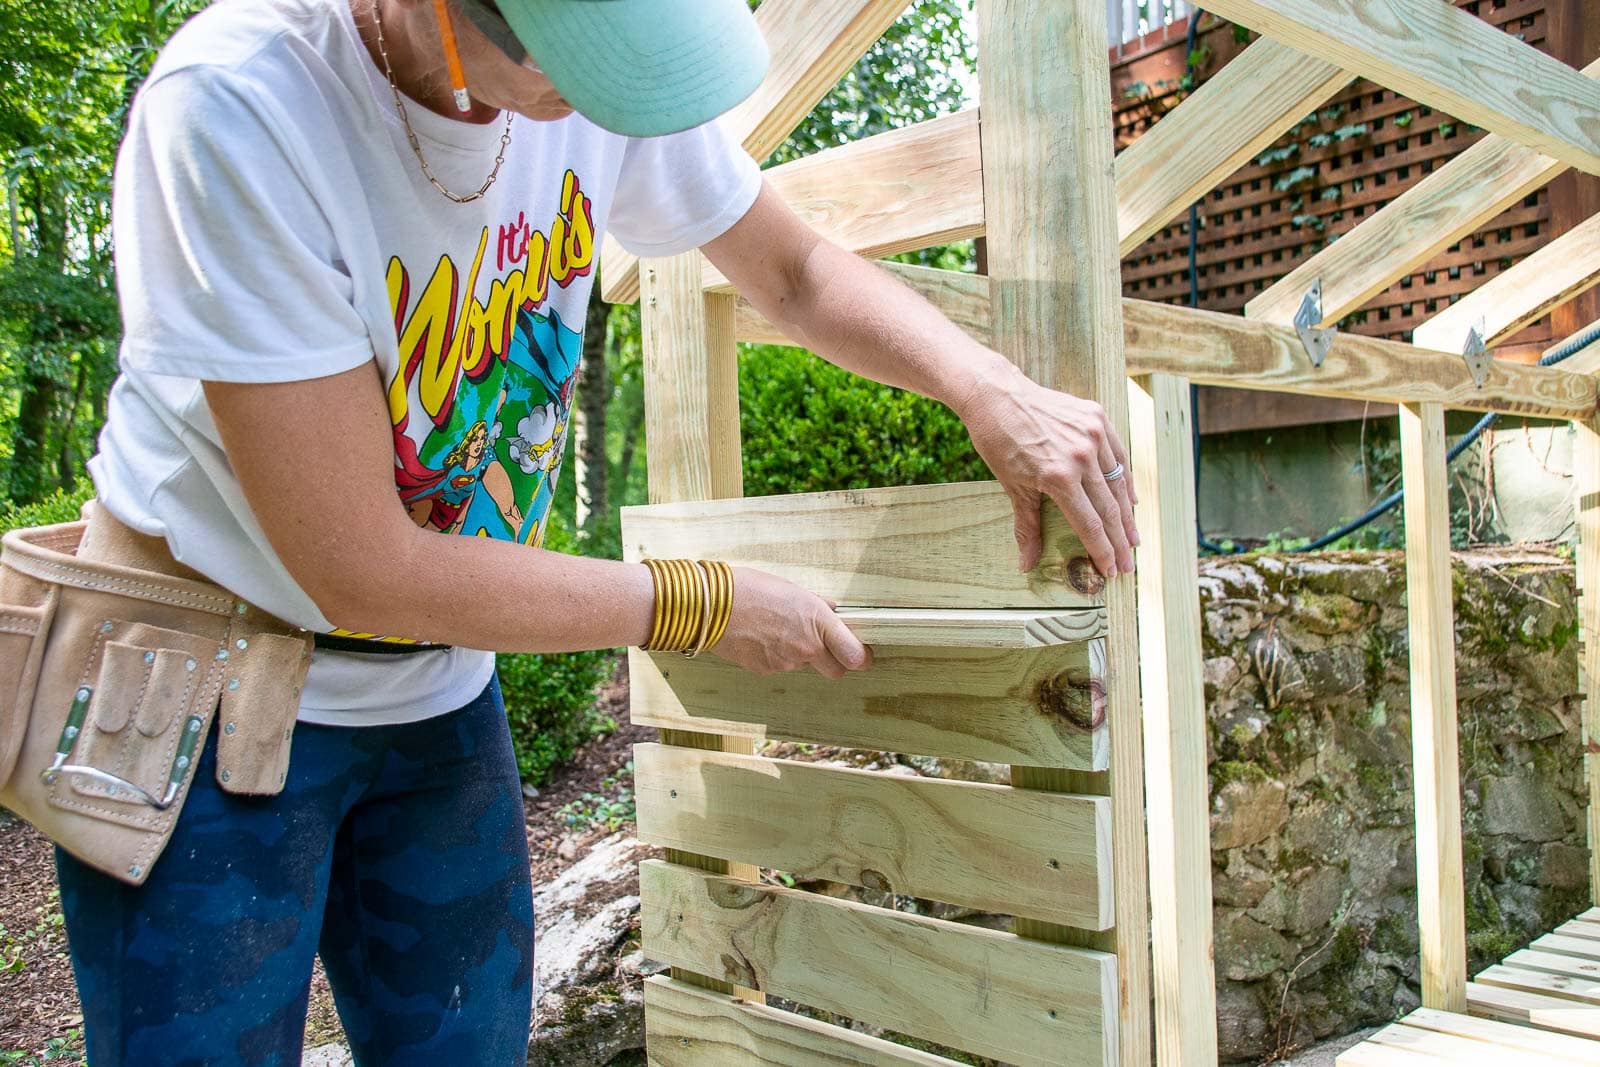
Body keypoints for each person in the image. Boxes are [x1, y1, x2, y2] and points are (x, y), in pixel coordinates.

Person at [59, 0, 1141, 1062]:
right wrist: (697, 602)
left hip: (433, 683)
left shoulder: (601, 83)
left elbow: (794, 271)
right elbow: (361, 565)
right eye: (567, 63)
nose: (598, 103)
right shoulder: (240, 102)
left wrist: (985, 385)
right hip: (203, 686)